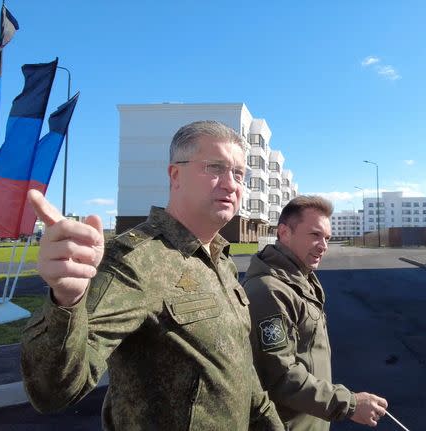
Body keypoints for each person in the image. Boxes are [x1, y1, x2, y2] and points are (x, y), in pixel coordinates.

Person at [20, 120, 283, 430]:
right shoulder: (136, 260)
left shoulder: (220, 261)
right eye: (214, 168)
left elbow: (238, 368)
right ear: (175, 175)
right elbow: (53, 391)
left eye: (238, 174)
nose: (231, 184)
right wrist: (67, 300)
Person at [242, 195, 388, 430]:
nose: (324, 246)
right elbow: (281, 377)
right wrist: (349, 404)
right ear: (284, 233)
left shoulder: (300, 279)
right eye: (315, 235)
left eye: (327, 238)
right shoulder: (269, 290)